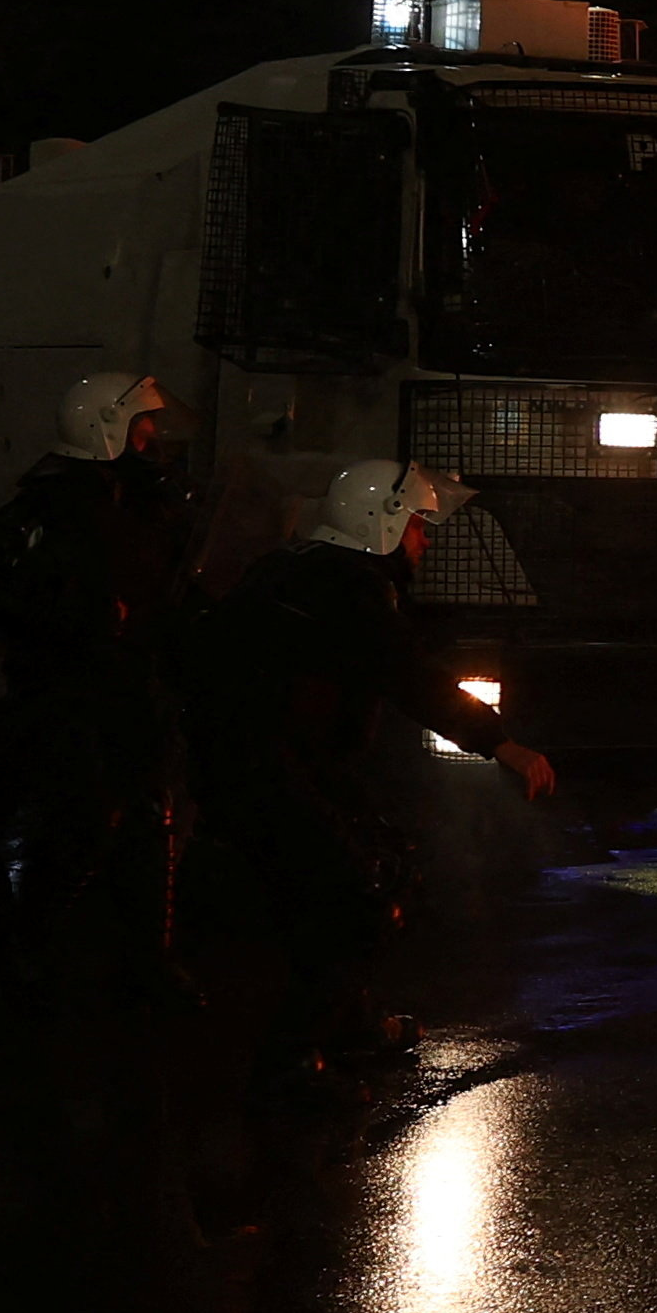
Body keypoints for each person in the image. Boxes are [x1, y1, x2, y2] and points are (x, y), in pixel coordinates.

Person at [181, 462, 554, 1089]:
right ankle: (292, 1058)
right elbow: (412, 677)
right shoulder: (348, 588)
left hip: (266, 760)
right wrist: (502, 744)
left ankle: (346, 1020)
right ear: (379, 523)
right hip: (269, 766)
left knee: (366, 867)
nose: (424, 540)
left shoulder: (298, 567)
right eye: (416, 525)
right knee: (353, 895)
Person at [0, 374, 198, 997]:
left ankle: (147, 962)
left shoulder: (144, 500)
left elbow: (165, 582)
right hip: (67, 688)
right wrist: (76, 616)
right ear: (107, 428)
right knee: (80, 820)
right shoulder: (44, 508)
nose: (152, 440)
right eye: (141, 428)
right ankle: (26, 952)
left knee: (150, 821)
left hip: (130, 684)